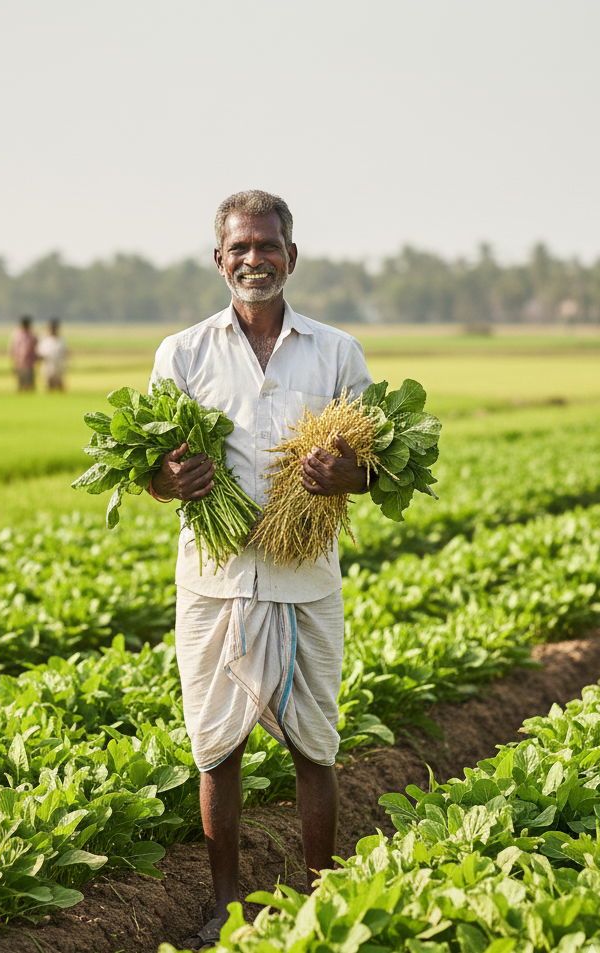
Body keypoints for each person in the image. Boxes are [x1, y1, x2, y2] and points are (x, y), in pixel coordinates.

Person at [147, 190, 374, 950]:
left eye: (267, 245)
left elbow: (376, 467)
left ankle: (319, 896)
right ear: (219, 259)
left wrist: (348, 478)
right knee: (217, 747)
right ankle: (223, 904)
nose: (254, 259)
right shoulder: (182, 354)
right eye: (239, 248)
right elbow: (150, 467)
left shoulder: (336, 351)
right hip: (215, 579)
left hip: (305, 577)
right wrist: (169, 482)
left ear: (291, 255)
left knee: (315, 744)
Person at [36, 318, 68, 391]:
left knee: (59, 386)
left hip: (58, 366)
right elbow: (39, 353)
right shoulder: (44, 339)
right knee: (48, 386)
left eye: (53, 328)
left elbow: (64, 353)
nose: (52, 330)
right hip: (47, 366)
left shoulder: (61, 340)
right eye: (50, 328)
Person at [7, 316, 38, 392]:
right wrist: (13, 362)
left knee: (30, 385)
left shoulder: (32, 335)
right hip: (19, 363)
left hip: (30, 364)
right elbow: (12, 350)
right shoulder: (16, 335)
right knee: (21, 384)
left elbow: (36, 349)